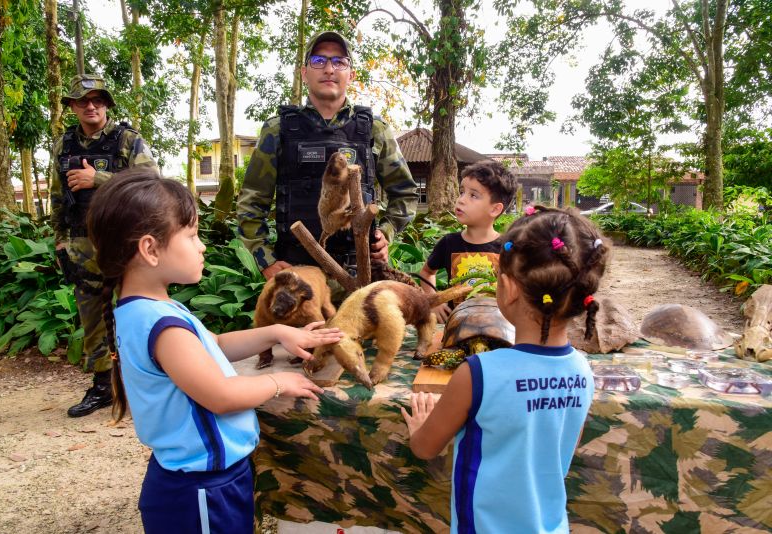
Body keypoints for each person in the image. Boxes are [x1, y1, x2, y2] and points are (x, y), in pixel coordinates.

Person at [86, 169, 343, 533]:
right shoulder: (162, 325)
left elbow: (217, 345)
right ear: (149, 248)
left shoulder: (153, 309)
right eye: (191, 236)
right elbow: (221, 396)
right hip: (201, 490)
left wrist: (276, 332)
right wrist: (279, 382)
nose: (202, 246)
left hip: (204, 481)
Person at [402, 205, 610, 533]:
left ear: (509, 287)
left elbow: (425, 448)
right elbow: (561, 454)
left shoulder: (478, 373)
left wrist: (419, 427)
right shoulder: (583, 371)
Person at [236, 31, 418, 280]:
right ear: (304, 72)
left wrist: (385, 234)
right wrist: (265, 259)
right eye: (319, 61)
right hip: (297, 276)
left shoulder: (374, 129)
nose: (329, 69)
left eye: (339, 62)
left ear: (350, 75)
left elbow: (405, 193)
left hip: (359, 273)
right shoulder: (278, 129)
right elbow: (252, 200)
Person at [50, 73, 159, 418]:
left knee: (135, 310)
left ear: (107, 105)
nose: (91, 106)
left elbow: (150, 181)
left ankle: (144, 380)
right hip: (82, 241)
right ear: (73, 107)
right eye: (83, 101)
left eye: (97, 100)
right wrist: (59, 238)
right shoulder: (64, 145)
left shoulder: (127, 140)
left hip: (123, 240)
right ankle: (102, 385)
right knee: (92, 317)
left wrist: (96, 178)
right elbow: (57, 195)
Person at [418, 161, 517, 322]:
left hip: (497, 326)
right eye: (462, 192)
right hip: (456, 326)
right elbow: (427, 273)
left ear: (495, 209)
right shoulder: (449, 243)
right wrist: (433, 302)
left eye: (473, 195)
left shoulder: (507, 247)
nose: (461, 200)